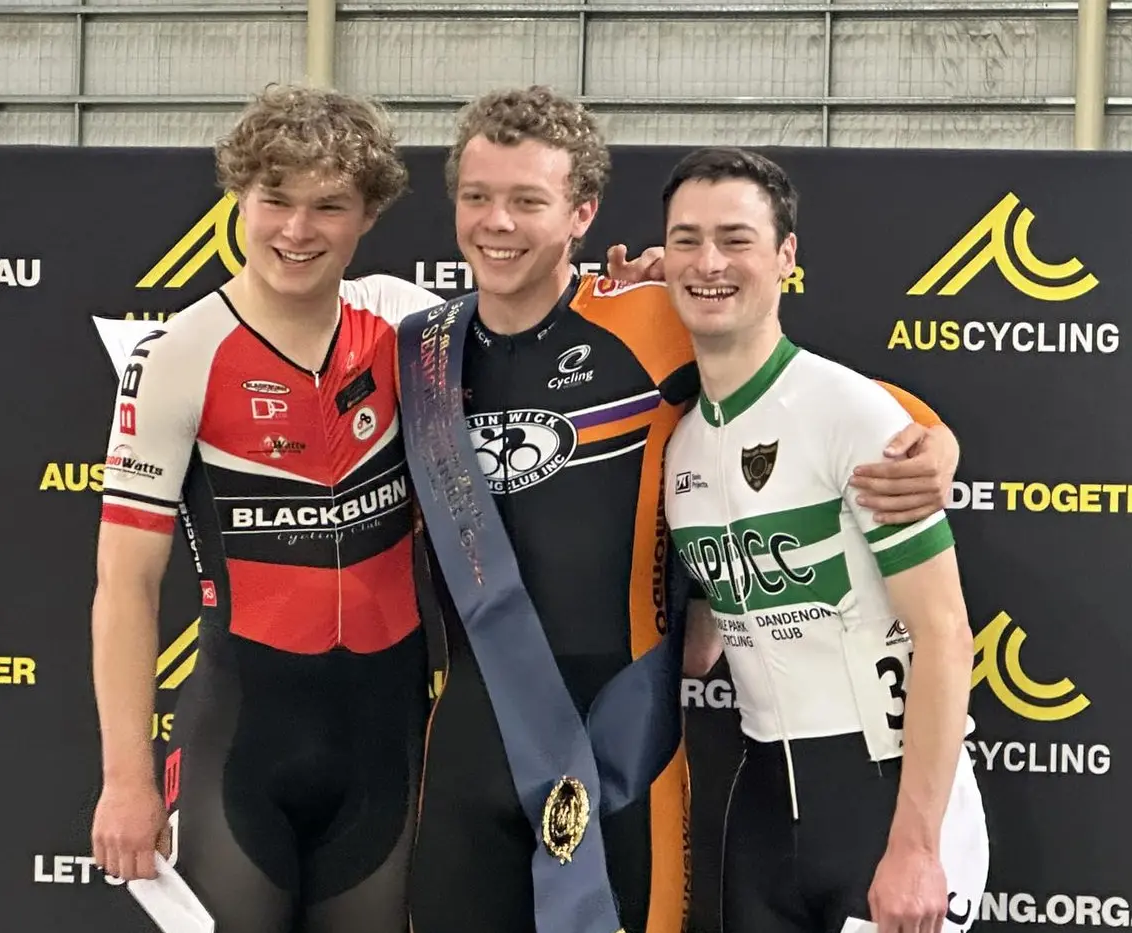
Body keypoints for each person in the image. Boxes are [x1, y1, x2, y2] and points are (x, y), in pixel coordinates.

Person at [400, 85, 964, 933]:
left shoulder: (656, 318)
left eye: (528, 199)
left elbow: (808, 392)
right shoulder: (419, 350)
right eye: (477, 197)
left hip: (624, 746)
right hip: (465, 750)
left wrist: (937, 440)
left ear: (582, 211)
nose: (498, 222)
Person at [89, 84, 449, 933]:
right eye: (276, 199)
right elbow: (126, 584)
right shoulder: (179, 354)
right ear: (238, 199)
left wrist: (634, 293)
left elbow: (534, 350)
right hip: (245, 741)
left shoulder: (405, 321)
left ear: (368, 215)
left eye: (330, 205)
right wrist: (125, 778)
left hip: (388, 738)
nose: (297, 229)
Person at [659, 147, 989, 933]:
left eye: (737, 239)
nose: (710, 262)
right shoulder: (679, 449)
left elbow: (944, 633)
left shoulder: (853, 412)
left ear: (785, 257)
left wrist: (915, 845)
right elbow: (702, 644)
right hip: (763, 802)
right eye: (686, 239)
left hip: (884, 797)